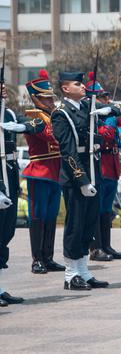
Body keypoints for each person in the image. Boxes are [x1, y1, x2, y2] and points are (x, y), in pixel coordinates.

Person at [52, 71, 121, 290]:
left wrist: (109, 109)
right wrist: (83, 180)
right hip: (77, 178)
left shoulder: (86, 107)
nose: (83, 87)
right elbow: (68, 152)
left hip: (95, 172)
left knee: (88, 224)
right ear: (65, 88)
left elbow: (120, 108)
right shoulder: (61, 114)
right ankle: (70, 274)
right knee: (75, 225)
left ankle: (83, 271)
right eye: (77, 84)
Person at [22, 70, 67, 275]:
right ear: (35, 99)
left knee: (51, 215)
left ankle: (48, 257)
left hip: (55, 171)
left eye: (51, 97)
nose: (50, 101)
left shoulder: (53, 116)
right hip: (40, 171)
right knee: (38, 215)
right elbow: (54, 136)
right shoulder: (35, 118)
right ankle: (37, 259)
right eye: (46, 98)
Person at [0, 78, 36, 304]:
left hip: (10, 174)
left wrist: (24, 127)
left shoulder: (9, 114)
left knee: (6, 232)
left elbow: (38, 124)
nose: (3, 88)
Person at [89, 82, 121, 261]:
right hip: (100, 164)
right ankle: (95, 247)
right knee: (97, 208)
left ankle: (106, 245)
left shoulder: (107, 116)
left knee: (106, 208)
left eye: (106, 96)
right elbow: (107, 136)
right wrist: (111, 123)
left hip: (111, 165)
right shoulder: (92, 118)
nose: (107, 100)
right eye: (103, 97)